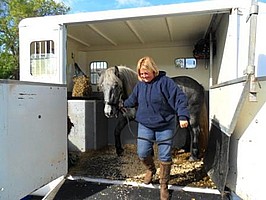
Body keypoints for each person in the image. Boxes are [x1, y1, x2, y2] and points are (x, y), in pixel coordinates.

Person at [122, 56, 190, 200]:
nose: (143, 76)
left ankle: (164, 185)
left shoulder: (165, 82)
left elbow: (180, 98)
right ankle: (151, 169)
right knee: (142, 153)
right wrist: (122, 104)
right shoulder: (140, 85)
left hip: (165, 124)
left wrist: (183, 116)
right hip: (145, 124)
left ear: (153, 70)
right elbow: (132, 100)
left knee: (164, 156)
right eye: (141, 73)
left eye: (146, 73)